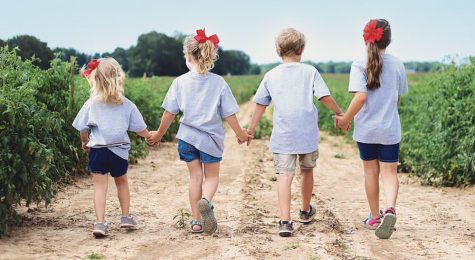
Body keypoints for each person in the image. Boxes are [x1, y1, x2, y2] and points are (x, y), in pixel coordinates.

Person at [147, 29, 251, 235]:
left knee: (195, 178)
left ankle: (196, 221)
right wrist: (241, 135)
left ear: (188, 57)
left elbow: (169, 114)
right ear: (210, 56)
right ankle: (206, 201)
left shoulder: (179, 82)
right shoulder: (219, 82)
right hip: (211, 140)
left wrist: (158, 135)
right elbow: (230, 115)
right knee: (211, 178)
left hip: (187, 138)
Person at [247, 28, 345, 237]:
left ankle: (284, 221)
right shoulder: (310, 71)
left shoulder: (271, 75)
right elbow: (324, 96)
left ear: (278, 51)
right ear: (301, 49)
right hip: (307, 134)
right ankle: (305, 210)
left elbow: (260, 104)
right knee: (307, 170)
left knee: (284, 176)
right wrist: (340, 112)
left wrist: (250, 130)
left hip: (283, 135)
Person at [335, 19, 408, 239]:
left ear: (365, 38)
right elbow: (396, 100)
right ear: (389, 40)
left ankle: (375, 217)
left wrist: (345, 119)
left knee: (370, 171)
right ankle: (390, 209)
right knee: (390, 172)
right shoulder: (398, 64)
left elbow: (360, 97)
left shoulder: (359, 64)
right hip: (390, 130)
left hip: (367, 131)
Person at [72, 58, 151, 238]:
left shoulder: (91, 104)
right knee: (121, 182)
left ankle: (100, 223)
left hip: (98, 151)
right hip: (119, 152)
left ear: (95, 80)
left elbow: (83, 129)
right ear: (119, 78)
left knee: (100, 187)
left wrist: (85, 142)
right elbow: (140, 129)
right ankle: (125, 217)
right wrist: (150, 136)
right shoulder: (126, 104)